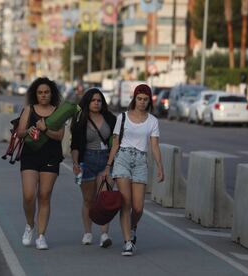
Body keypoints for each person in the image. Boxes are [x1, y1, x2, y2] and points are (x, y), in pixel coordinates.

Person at [103, 83, 164, 256]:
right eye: (139, 99)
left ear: (149, 101)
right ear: (134, 99)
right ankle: (127, 241)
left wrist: (160, 167)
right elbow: (115, 143)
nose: (142, 102)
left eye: (145, 99)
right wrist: (108, 166)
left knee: (138, 208)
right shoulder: (122, 117)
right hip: (122, 158)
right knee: (126, 202)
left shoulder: (153, 121)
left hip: (140, 162)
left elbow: (154, 146)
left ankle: (133, 226)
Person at [17, 77, 64, 250]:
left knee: (44, 195)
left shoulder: (58, 111)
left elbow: (59, 136)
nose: (43, 95)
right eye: (40, 93)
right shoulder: (29, 109)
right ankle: (30, 225)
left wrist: (46, 130)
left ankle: (41, 235)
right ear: (35, 94)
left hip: (51, 156)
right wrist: (28, 130)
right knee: (29, 195)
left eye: (46, 92)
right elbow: (19, 132)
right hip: (30, 156)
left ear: (52, 94)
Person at [70, 88, 116, 248]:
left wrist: (111, 164)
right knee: (89, 199)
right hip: (87, 160)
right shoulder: (80, 119)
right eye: (93, 100)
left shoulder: (110, 118)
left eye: (99, 100)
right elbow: (75, 145)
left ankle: (104, 235)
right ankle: (88, 233)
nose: (96, 103)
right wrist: (75, 163)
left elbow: (116, 141)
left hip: (106, 161)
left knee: (105, 200)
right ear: (87, 102)